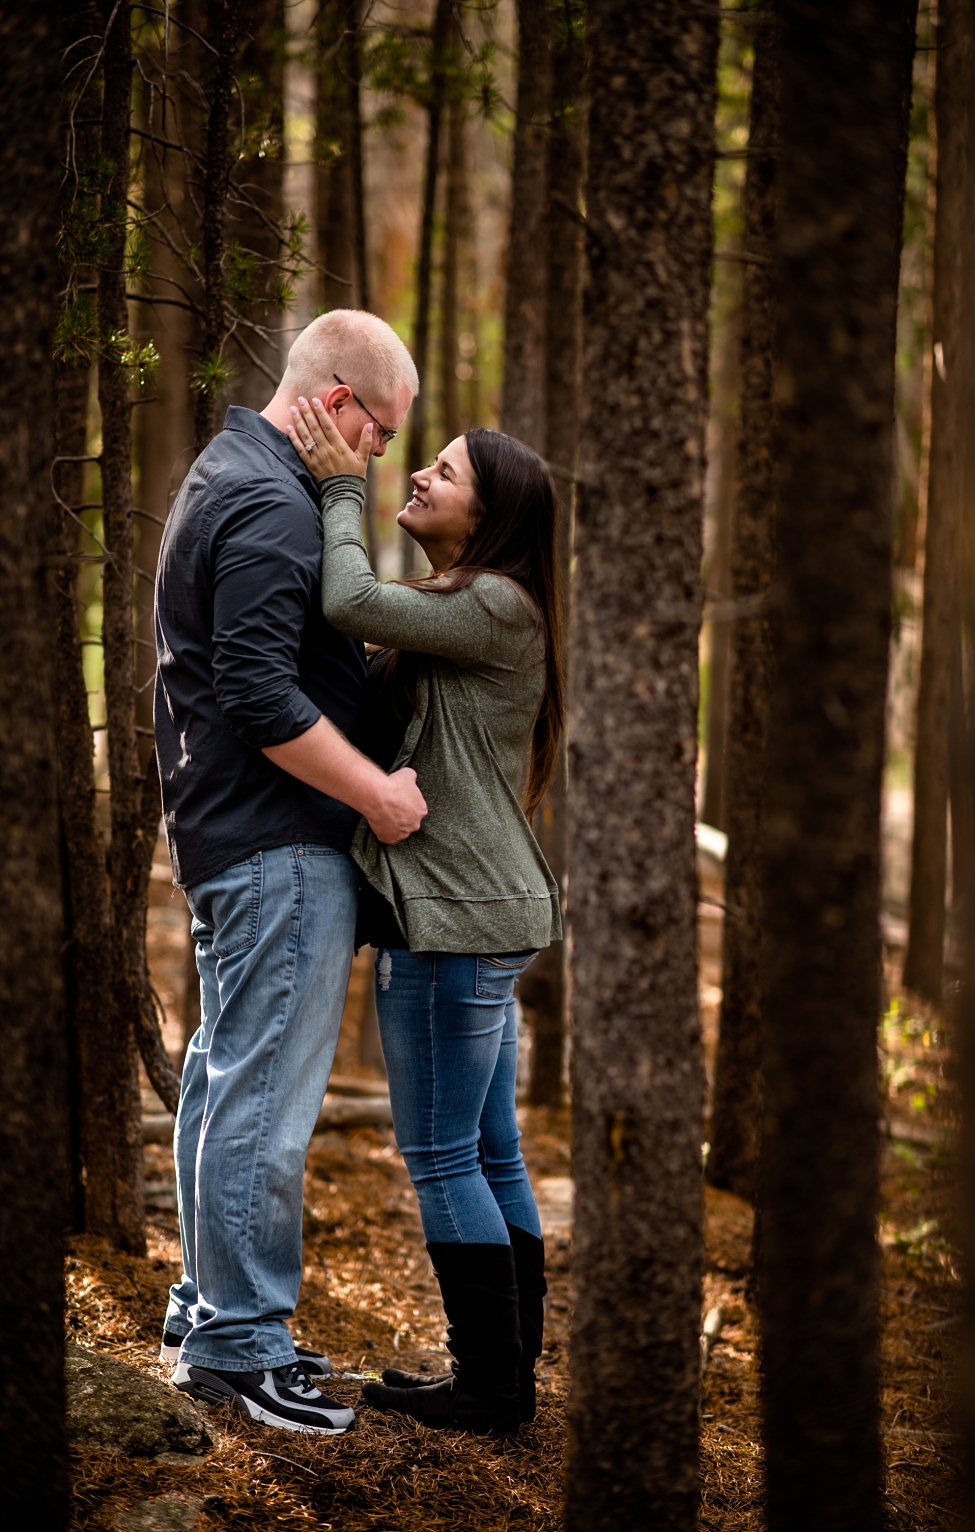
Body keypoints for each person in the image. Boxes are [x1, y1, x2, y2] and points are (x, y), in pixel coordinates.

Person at [156, 310, 424, 1435]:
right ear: (333, 399)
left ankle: (203, 1310)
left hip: (234, 838)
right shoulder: (271, 504)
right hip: (275, 841)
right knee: (262, 1100)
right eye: (379, 434)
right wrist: (378, 793)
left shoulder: (232, 472)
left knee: (224, 1078)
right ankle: (239, 1343)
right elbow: (263, 698)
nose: (377, 459)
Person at [283, 390, 563, 1436]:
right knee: (490, 1150)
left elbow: (350, 600)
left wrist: (338, 487)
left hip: (452, 918)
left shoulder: (496, 602)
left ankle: (493, 1385)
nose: (419, 476)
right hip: (482, 910)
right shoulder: (483, 605)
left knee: (446, 1155)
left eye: (441, 472)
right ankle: (507, 1371)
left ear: (486, 518)